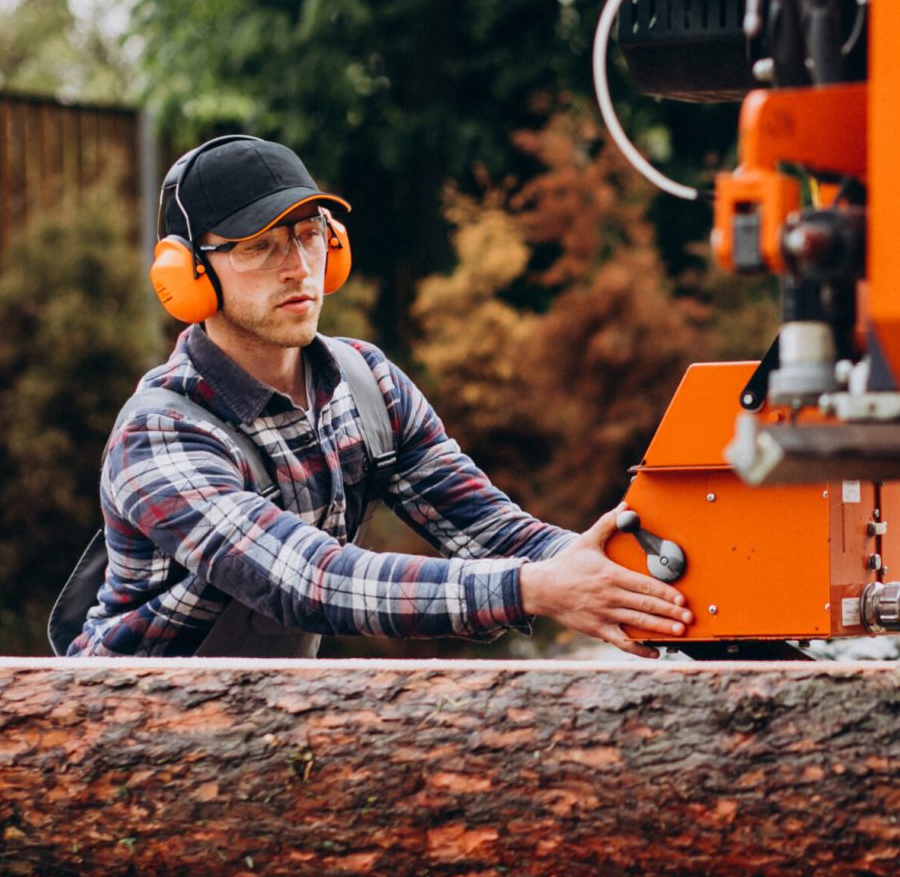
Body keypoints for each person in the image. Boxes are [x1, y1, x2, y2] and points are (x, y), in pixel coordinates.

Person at [64, 134, 690, 658]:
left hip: (258, 727)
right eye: (259, 247)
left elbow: (493, 533)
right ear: (189, 276)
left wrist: (626, 574)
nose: (297, 266)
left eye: (309, 236)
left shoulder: (366, 385)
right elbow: (311, 581)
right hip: (127, 739)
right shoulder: (161, 433)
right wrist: (536, 589)